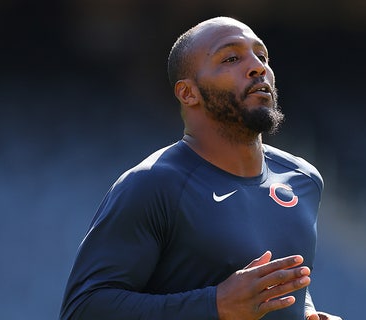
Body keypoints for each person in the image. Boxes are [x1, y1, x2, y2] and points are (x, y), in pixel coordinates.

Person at [60, 16, 342, 320]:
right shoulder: (152, 184)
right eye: (231, 58)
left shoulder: (304, 179)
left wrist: (308, 313)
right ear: (188, 93)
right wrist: (214, 305)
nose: (258, 67)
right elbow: (82, 309)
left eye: (262, 56)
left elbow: (281, 287)